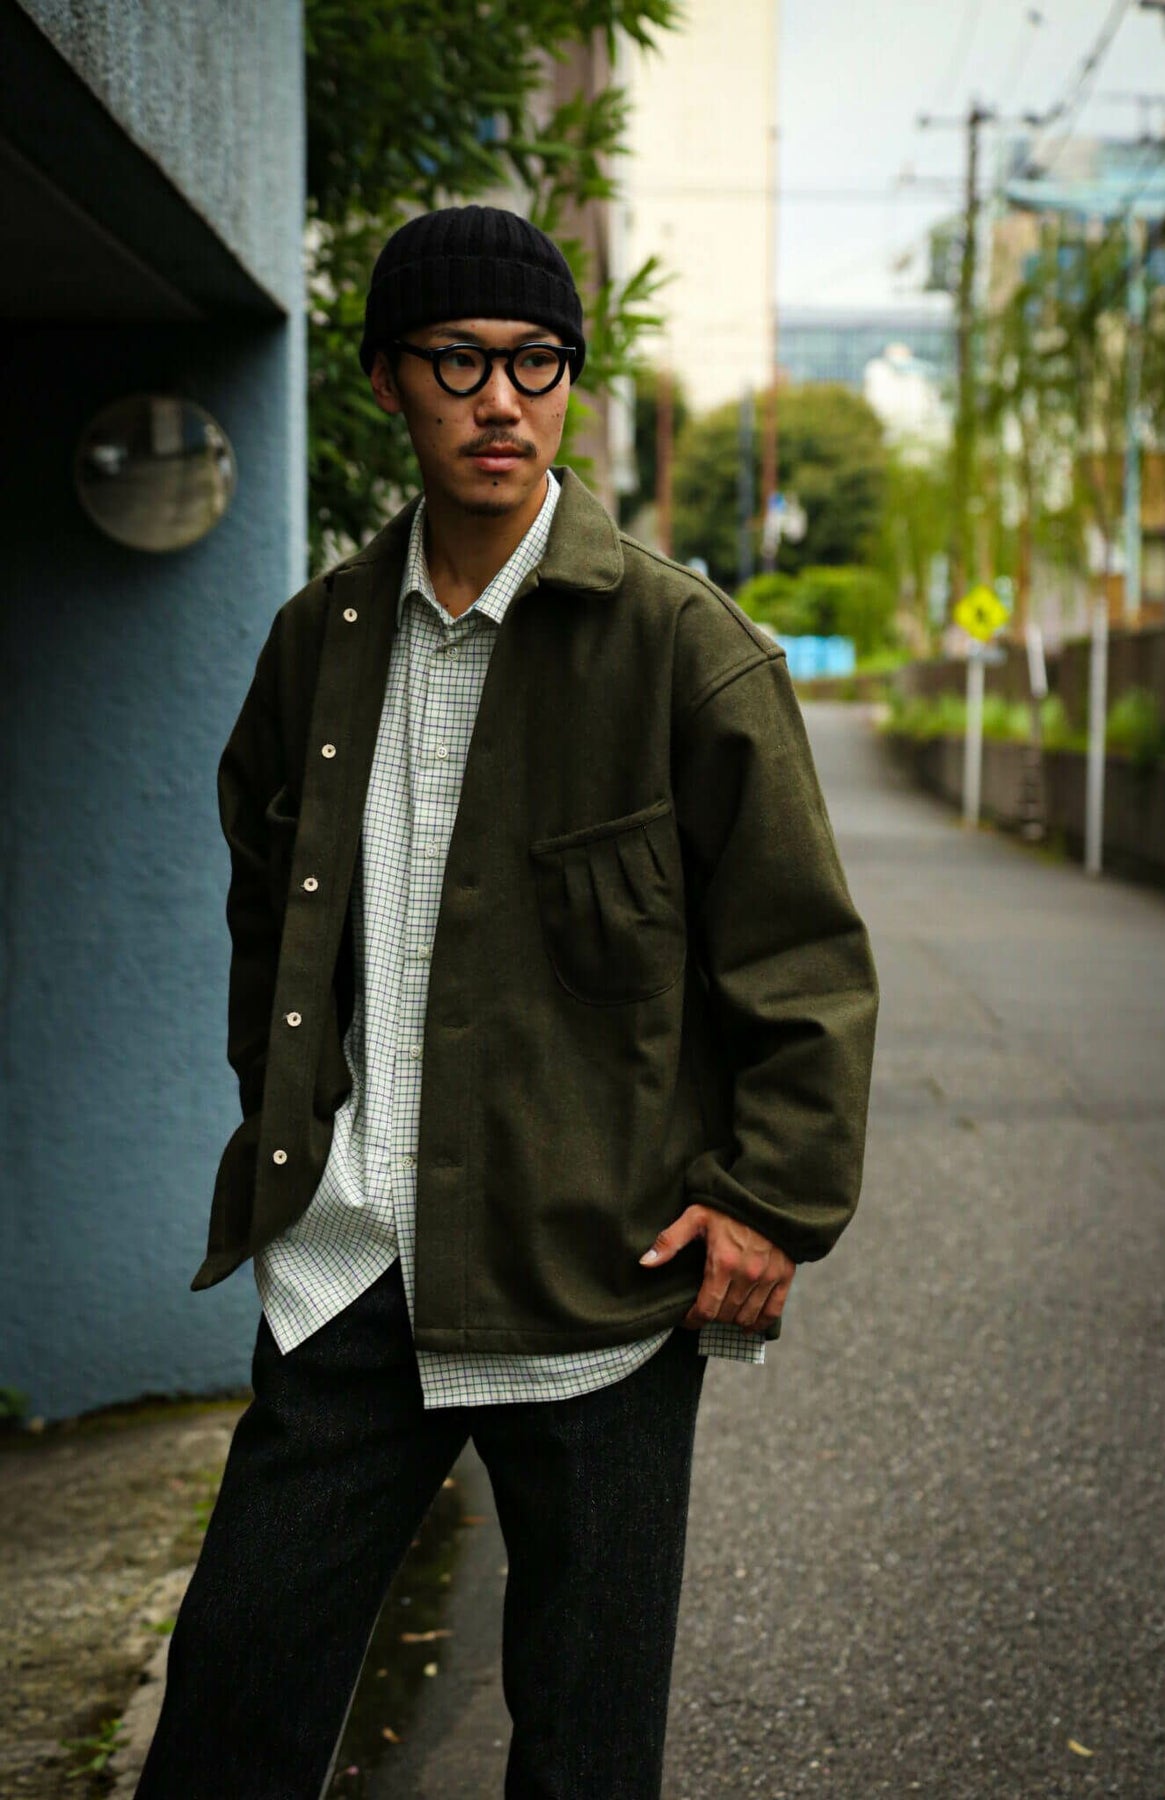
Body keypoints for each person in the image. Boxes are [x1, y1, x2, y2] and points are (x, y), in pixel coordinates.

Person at [135, 204, 878, 1800]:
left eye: (538, 363)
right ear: (389, 381)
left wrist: (769, 1204)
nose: (501, 400)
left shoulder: (683, 647)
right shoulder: (318, 642)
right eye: (458, 361)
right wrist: (289, 1130)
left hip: (596, 1281)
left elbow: (801, 959)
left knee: (587, 1748)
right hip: (354, 1264)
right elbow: (270, 928)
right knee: (231, 1711)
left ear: (569, 385)